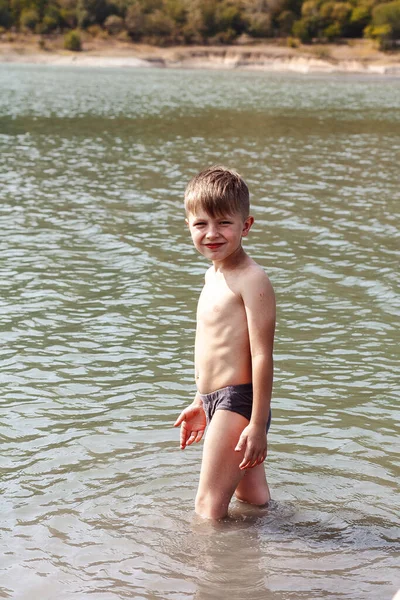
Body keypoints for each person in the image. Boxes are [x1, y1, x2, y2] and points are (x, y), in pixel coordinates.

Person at [174, 166, 276, 520]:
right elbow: (214, 346)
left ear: (245, 226)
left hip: (239, 402)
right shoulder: (212, 274)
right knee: (253, 501)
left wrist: (257, 423)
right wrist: (200, 400)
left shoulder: (252, 279)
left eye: (224, 223)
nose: (211, 233)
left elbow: (261, 355)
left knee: (207, 509)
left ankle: (211, 575)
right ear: (188, 226)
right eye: (201, 224)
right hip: (217, 401)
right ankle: (281, 554)